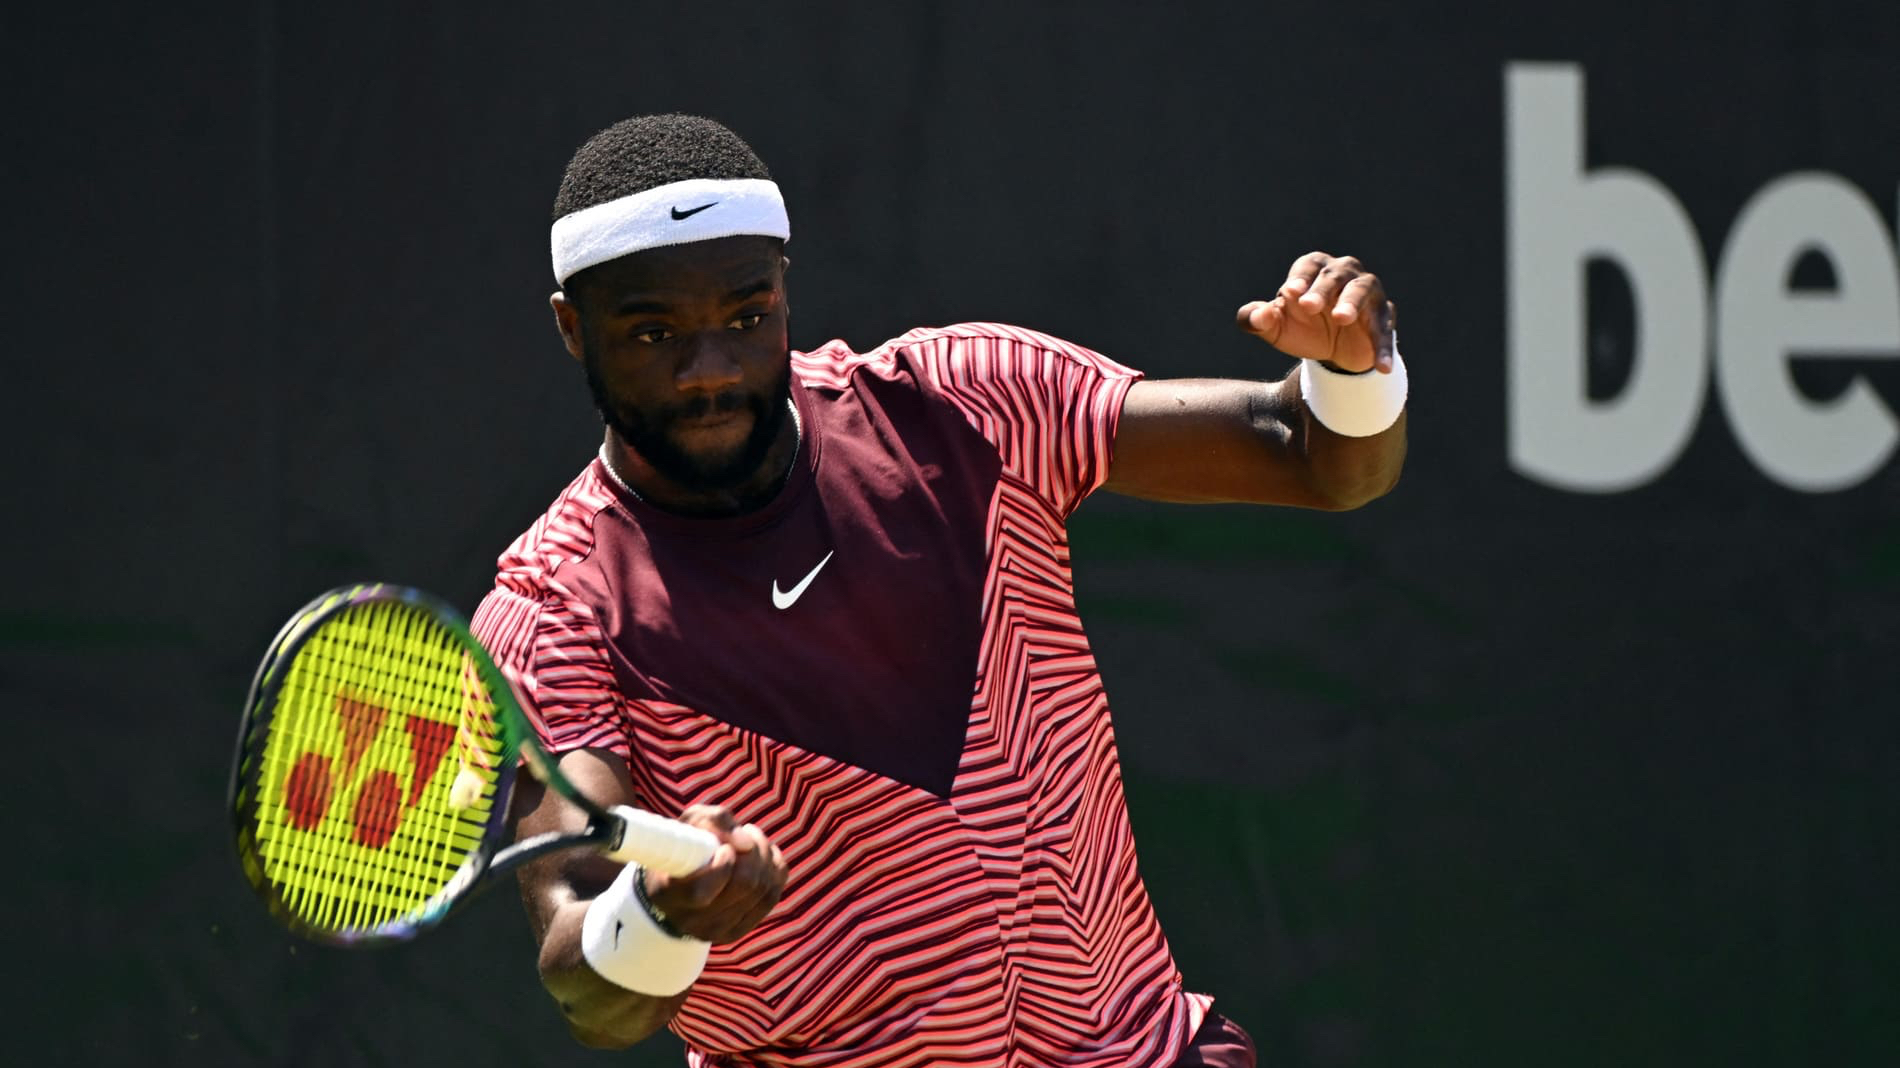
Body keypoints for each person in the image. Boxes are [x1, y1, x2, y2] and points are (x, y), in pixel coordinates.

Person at [471, 113, 1405, 1068]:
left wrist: (1351, 369)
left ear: (785, 288)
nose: (709, 371)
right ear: (572, 327)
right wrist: (659, 915)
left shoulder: (965, 404)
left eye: (747, 316)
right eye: (653, 332)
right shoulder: (556, 611)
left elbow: (1313, 456)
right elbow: (588, 980)